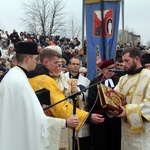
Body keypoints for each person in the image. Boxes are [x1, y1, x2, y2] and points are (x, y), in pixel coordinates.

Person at [0, 42, 79, 150]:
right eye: (36, 59)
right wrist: (65, 122)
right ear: (27, 58)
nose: (37, 63)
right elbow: (36, 120)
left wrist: (37, 110)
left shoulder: (12, 75)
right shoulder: (20, 82)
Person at [28, 48, 105, 150]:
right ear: (46, 62)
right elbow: (60, 107)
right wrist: (88, 117)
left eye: (60, 65)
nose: (58, 68)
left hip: (61, 125)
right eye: (56, 64)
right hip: (55, 125)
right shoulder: (45, 80)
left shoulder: (64, 80)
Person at [114, 47, 150, 150]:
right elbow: (115, 98)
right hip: (125, 134)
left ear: (137, 59)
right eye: (123, 61)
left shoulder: (148, 77)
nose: (123, 64)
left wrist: (127, 112)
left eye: (127, 61)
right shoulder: (123, 79)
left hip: (144, 135)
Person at [87, 59, 121, 150]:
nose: (113, 71)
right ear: (104, 69)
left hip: (116, 119)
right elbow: (91, 100)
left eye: (114, 68)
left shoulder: (119, 81)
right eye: (110, 69)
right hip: (101, 119)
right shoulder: (95, 82)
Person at [65, 56, 91, 150]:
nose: (76, 66)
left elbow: (88, 97)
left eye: (77, 64)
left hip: (80, 113)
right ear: (69, 65)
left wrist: (78, 91)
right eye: (73, 64)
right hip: (66, 114)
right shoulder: (62, 78)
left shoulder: (86, 81)